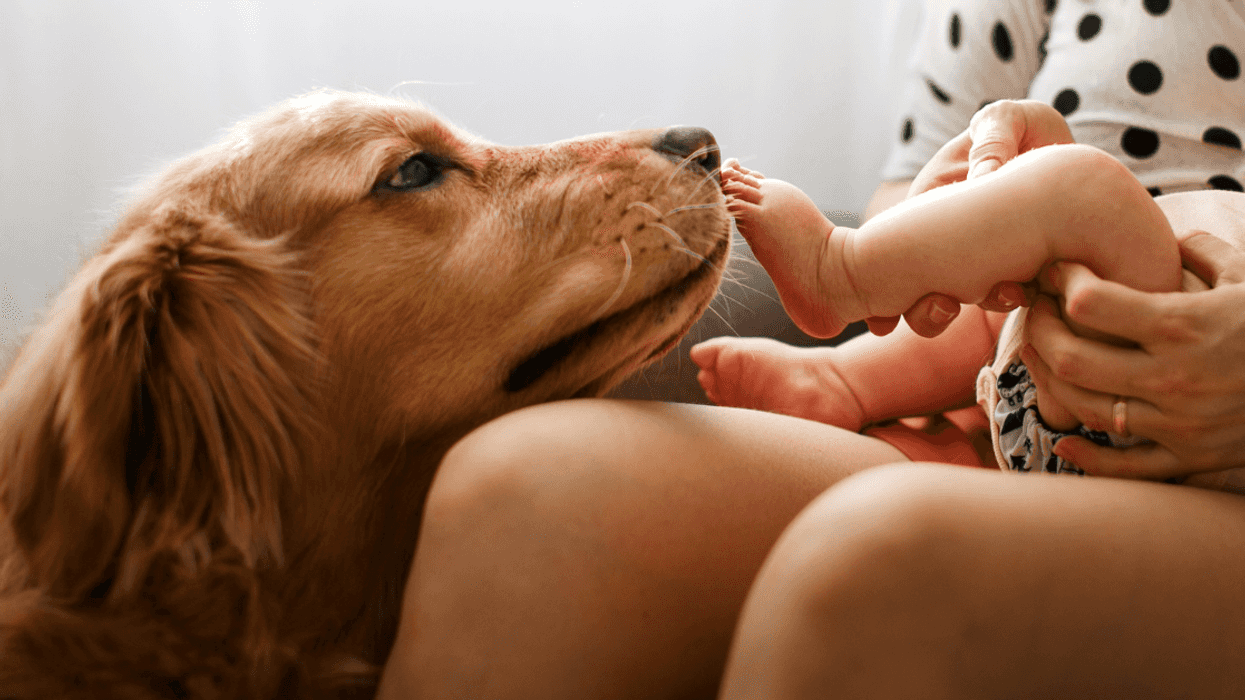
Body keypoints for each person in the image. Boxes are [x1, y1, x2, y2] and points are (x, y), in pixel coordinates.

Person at [375, 0, 1245, 696]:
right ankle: (848, 365)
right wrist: (973, 194)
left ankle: (841, 273)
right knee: (529, 488)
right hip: (1016, 389)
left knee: (877, 562)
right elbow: (920, 196)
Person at [693, 100, 1245, 488]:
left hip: (1170, 426)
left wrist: (1056, 196)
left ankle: (840, 271)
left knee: (1090, 193)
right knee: (1037, 256)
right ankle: (843, 379)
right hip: (1069, 362)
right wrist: (1006, 194)